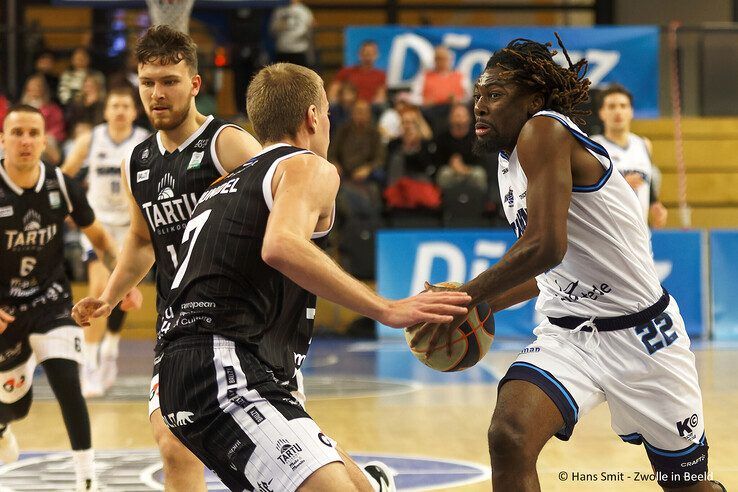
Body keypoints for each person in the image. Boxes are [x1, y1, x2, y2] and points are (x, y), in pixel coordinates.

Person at [410, 37, 724, 492]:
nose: (480, 106)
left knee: (686, 485)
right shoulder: (507, 160)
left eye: (494, 95)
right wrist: (484, 305)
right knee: (509, 435)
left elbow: (544, 246)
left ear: (535, 100)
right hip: (568, 336)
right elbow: (549, 272)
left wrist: (465, 297)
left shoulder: (544, 130)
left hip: (644, 338)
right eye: (477, 95)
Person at [150, 62, 470, 491]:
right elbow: (281, 245)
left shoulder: (223, 184)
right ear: (314, 116)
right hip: (224, 364)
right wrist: (387, 308)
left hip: (190, 367)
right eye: (328, 114)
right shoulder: (308, 166)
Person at [70, 25, 262, 491]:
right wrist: (110, 296)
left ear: (195, 84)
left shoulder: (229, 144)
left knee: (273, 459)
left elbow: (285, 207)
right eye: (148, 82)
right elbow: (140, 239)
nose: (157, 93)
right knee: (174, 443)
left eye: (169, 81)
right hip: (178, 322)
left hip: (246, 325)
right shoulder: (135, 161)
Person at [0, 104, 123, 491]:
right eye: (17, 132)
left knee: (68, 380)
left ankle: (86, 479)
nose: (25, 141)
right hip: (5, 310)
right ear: (2, 139)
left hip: (52, 301)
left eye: (34, 133)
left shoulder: (60, 185)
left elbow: (101, 239)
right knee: (15, 405)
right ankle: (3, 424)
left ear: (44, 140)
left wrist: (125, 282)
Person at [62, 86, 149, 397]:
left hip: (130, 227)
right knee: (99, 289)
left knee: (122, 292)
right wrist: (70, 206)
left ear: (134, 111)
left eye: (126, 105)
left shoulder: (143, 141)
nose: (121, 110)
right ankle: (89, 364)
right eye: (115, 105)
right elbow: (64, 175)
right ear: (106, 110)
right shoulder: (92, 138)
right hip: (98, 227)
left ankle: (110, 349)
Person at [591, 84, 668, 228]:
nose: (618, 111)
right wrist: (622, 185)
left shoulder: (643, 144)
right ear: (602, 112)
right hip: (609, 232)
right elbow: (589, 195)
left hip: (641, 234)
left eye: (623, 106)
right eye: (612, 106)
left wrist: (655, 204)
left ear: (631, 111)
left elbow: (646, 184)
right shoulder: (593, 146)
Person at [329, 41, 387, 105]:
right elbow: (333, 92)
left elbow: (381, 96)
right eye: (366, 53)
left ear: (376, 55)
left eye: (371, 54)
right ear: (359, 54)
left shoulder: (381, 75)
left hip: (370, 110)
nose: (368, 57)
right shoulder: (345, 72)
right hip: (347, 107)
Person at [269, 0, 315, 67]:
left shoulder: (304, 10)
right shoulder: (279, 10)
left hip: (299, 50)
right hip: (283, 50)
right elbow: (272, 29)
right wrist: (279, 26)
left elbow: (311, 28)